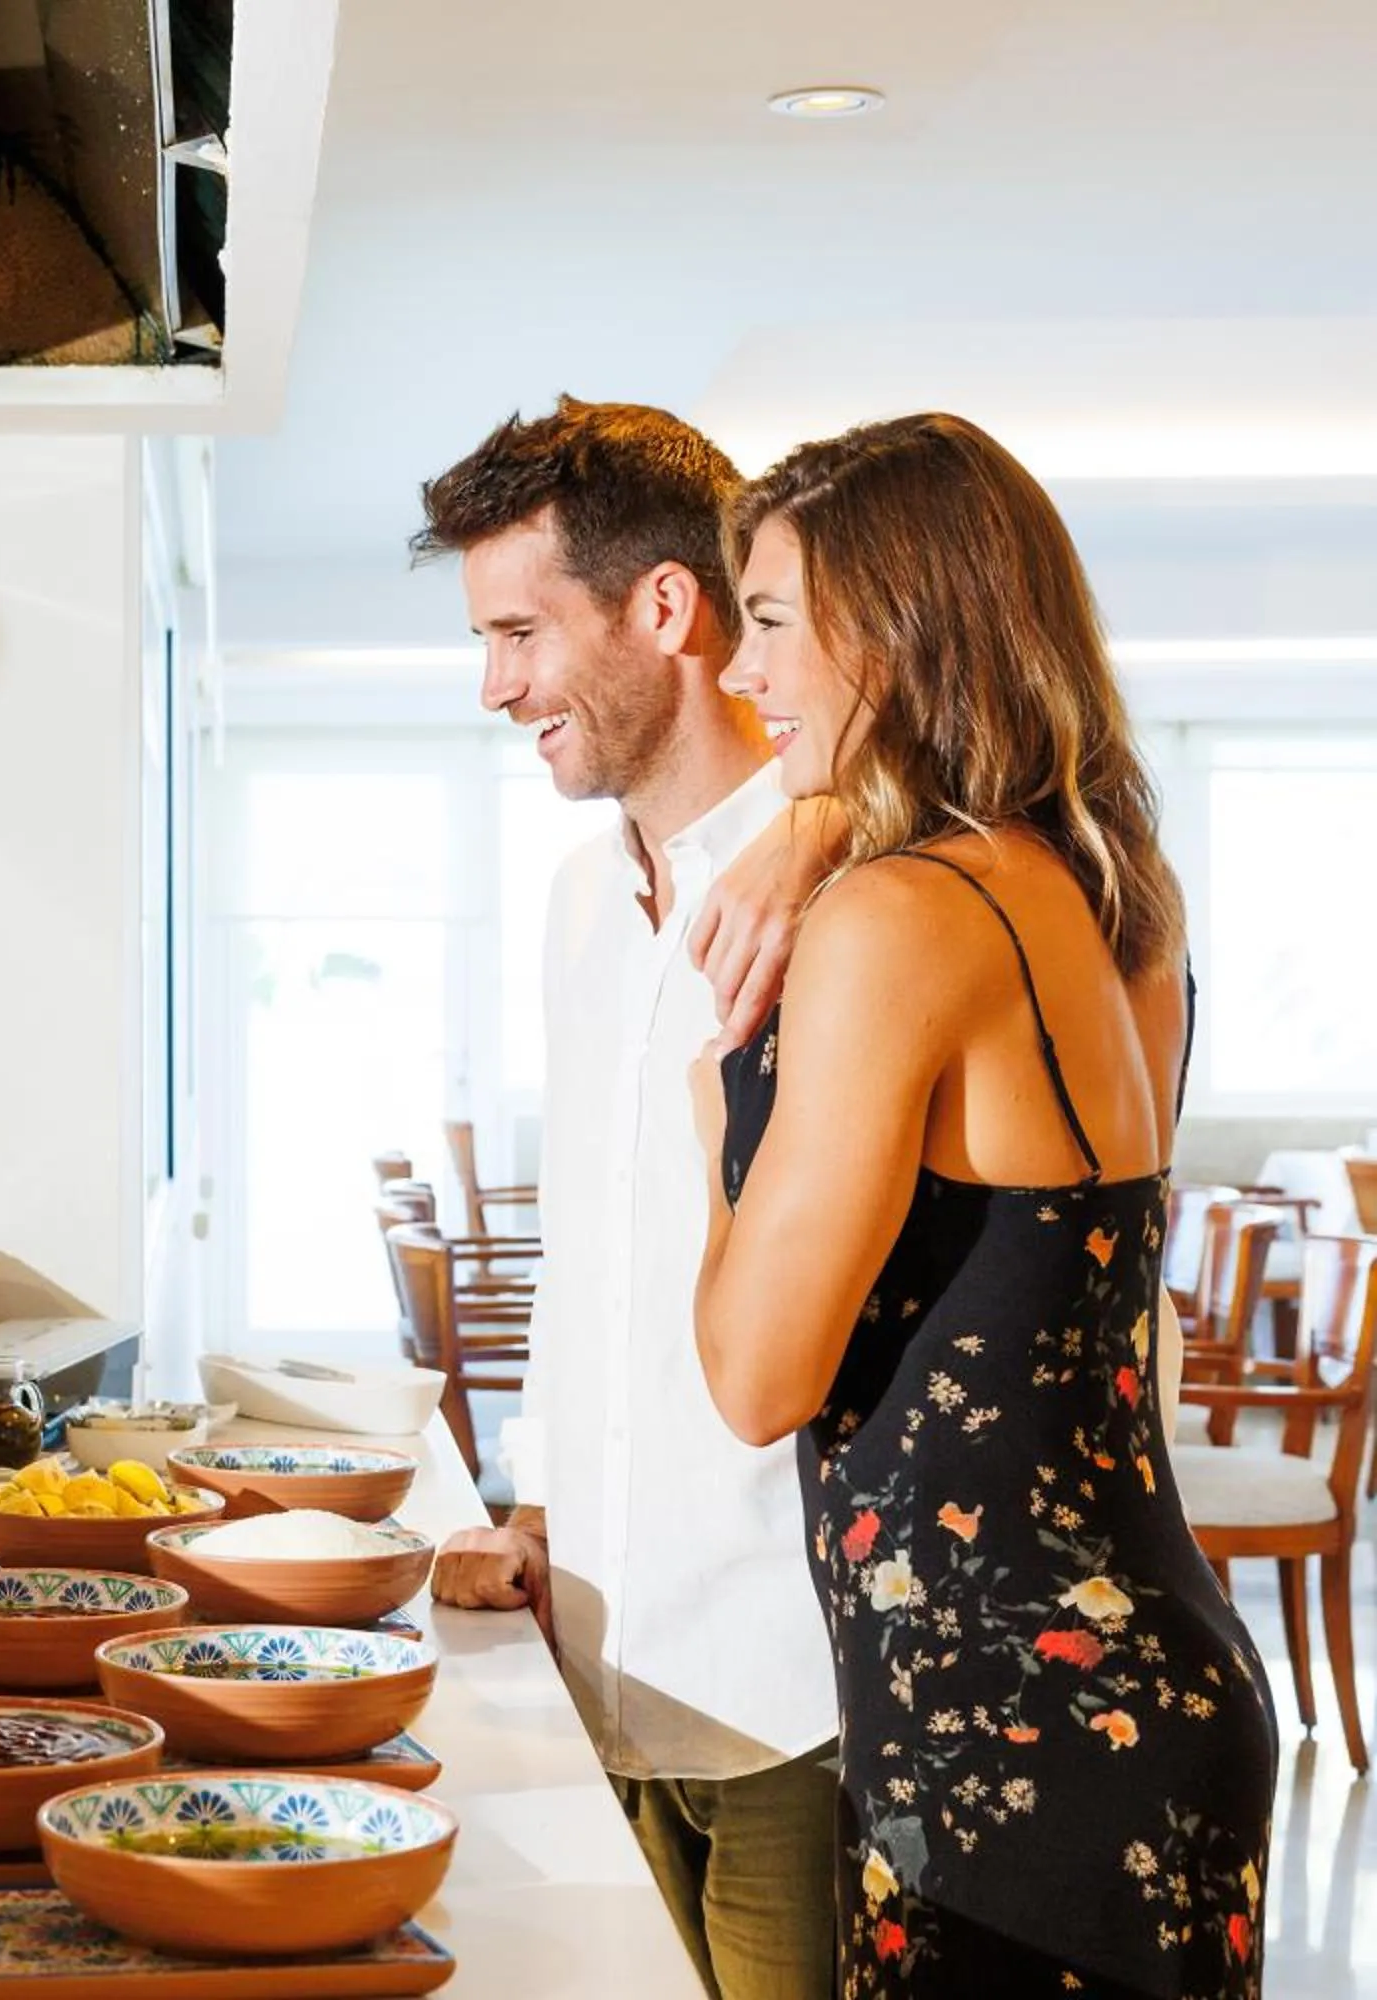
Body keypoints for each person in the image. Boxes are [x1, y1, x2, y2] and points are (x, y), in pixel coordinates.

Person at [693, 413, 1275, 1997]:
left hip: (1001, 1732)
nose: (745, 678)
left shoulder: (896, 920)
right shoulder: (1111, 891)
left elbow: (757, 1381)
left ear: (896, 627)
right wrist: (823, 814)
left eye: (768, 622)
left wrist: (716, 1124)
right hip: (1156, 1686)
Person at [413, 398, 845, 2000]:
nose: (497, 684)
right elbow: (602, 1253)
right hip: (601, 1640)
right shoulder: (582, 899)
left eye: (520, 630)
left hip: (784, 1671)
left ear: (667, 609)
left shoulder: (849, 881)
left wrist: (833, 821)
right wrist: (534, 1507)